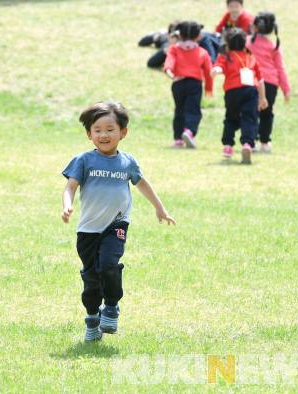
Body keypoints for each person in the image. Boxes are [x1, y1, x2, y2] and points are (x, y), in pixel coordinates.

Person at [61, 101, 176, 341]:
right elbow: (70, 186)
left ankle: (111, 306)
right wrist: (67, 204)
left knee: (110, 265)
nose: (104, 135)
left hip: (116, 225)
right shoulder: (83, 161)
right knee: (92, 279)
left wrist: (160, 209)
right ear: (89, 134)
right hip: (88, 231)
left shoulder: (127, 162)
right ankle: (92, 318)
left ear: (123, 132)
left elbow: (142, 183)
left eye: (110, 129)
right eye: (98, 130)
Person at [212, 28, 268, 164]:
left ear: (228, 43)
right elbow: (260, 80)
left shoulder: (226, 56)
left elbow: (219, 67)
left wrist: (215, 71)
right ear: (244, 43)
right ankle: (247, 144)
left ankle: (228, 146)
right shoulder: (251, 57)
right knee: (249, 118)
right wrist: (263, 98)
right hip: (251, 91)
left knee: (231, 118)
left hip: (232, 92)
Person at [164, 21, 214, 148]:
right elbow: (208, 72)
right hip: (195, 84)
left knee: (179, 110)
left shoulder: (174, 49)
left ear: (179, 35)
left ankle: (178, 139)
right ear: (198, 36)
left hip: (178, 83)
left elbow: (169, 63)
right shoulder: (202, 52)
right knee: (193, 110)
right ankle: (189, 131)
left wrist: (170, 73)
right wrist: (209, 87)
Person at [246, 12, 291, 153]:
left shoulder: (246, 42)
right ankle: (265, 143)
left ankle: (249, 142)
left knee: (250, 113)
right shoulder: (273, 46)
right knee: (266, 113)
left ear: (254, 27)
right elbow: (280, 68)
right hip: (270, 83)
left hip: (249, 81)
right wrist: (286, 89)